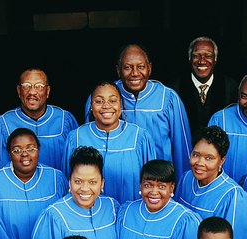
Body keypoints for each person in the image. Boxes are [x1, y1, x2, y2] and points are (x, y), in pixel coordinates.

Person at [84, 44, 192, 178]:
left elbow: (182, 147)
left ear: (150, 68)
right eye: (127, 67)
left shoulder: (167, 98)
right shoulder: (103, 97)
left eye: (141, 67)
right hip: (115, 177)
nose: (135, 73)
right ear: (118, 70)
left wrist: (182, 185)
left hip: (158, 181)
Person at [0, 68, 79, 193]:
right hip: (17, 194)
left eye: (39, 86)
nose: (32, 92)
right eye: (26, 86)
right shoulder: (3, 124)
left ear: (47, 91)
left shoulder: (64, 120)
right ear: (19, 91)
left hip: (58, 192)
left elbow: (78, 165)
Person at [174, 125, 247, 239]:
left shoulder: (234, 196)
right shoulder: (186, 179)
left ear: (221, 160)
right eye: (196, 155)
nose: (199, 162)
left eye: (209, 158)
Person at [66, 82, 156, 203]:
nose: (106, 106)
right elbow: (69, 183)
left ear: (121, 105)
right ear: (91, 106)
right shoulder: (76, 137)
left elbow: (152, 182)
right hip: (89, 217)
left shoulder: (140, 137)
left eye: (113, 101)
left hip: (131, 215)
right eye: (99, 101)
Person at [169, 36, 238, 135]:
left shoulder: (230, 88)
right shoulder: (174, 88)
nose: (202, 61)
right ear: (190, 59)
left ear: (215, 59)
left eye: (208, 56)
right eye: (196, 56)